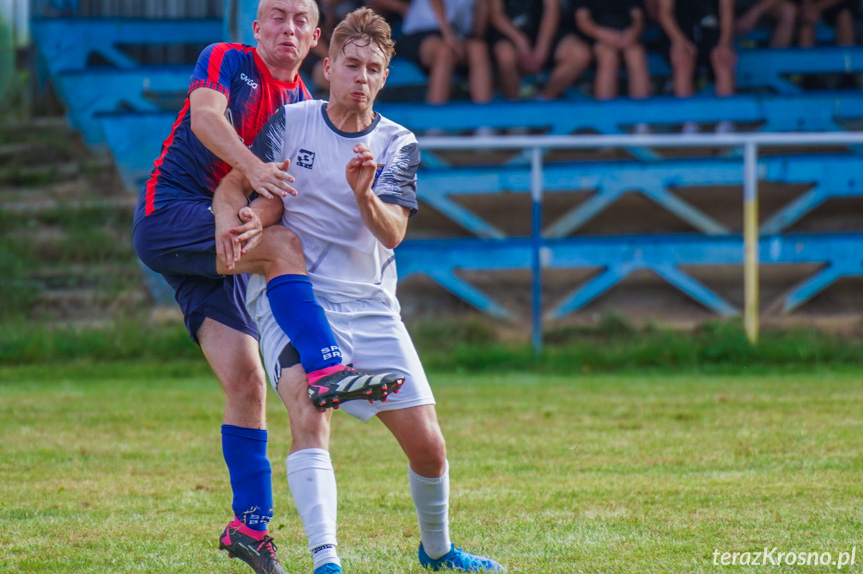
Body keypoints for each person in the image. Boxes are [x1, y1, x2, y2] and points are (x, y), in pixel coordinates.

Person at [212, 7, 506, 573]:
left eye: (373, 68)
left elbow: (393, 231)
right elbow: (263, 191)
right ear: (328, 67)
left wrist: (365, 194)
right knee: (308, 409)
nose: (362, 78)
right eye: (352, 65)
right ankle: (327, 562)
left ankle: (438, 552)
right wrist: (251, 218)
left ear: (385, 76)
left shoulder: (398, 143)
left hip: (370, 304)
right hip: (294, 299)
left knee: (429, 446)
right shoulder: (291, 122)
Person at [131, 1, 402, 572]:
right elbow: (206, 119)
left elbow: (281, 198)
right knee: (284, 250)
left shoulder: (304, 107)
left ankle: (248, 527)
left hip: (220, 239)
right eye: (276, 16)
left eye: (301, 20)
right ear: (256, 29)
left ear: (316, 40)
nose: (289, 28)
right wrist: (254, 176)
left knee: (249, 380)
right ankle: (328, 366)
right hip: (170, 216)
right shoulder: (228, 59)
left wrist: (256, 213)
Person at [657, 0, 737, 133]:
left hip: (711, 31)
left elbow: (727, 11)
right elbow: (664, 13)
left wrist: (725, 44)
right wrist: (680, 41)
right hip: (679, 32)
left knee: (723, 58)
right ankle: (689, 121)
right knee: (683, 58)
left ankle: (727, 121)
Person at [487, 0, 593, 101]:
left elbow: (552, 9)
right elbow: (496, 15)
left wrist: (541, 51)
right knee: (505, 56)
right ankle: (513, 105)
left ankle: (543, 99)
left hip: (542, 30)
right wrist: (521, 41)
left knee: (579, 54)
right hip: (510, 32)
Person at [398, 0, 494, 105]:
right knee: (445, 51)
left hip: (458, 34)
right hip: (421, 31)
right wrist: (449, 36)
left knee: (478, 49)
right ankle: (435, 112)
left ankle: (484, 114)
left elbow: (477, 29)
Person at [573, 0, 652, 102]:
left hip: (627, 37)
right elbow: (583, 21)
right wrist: (605, 36)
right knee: (608, 56)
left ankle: (642, 113)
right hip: (596, 37)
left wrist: (632, 34)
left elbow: (638, 18)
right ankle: (605, 113)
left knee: (636, 55)